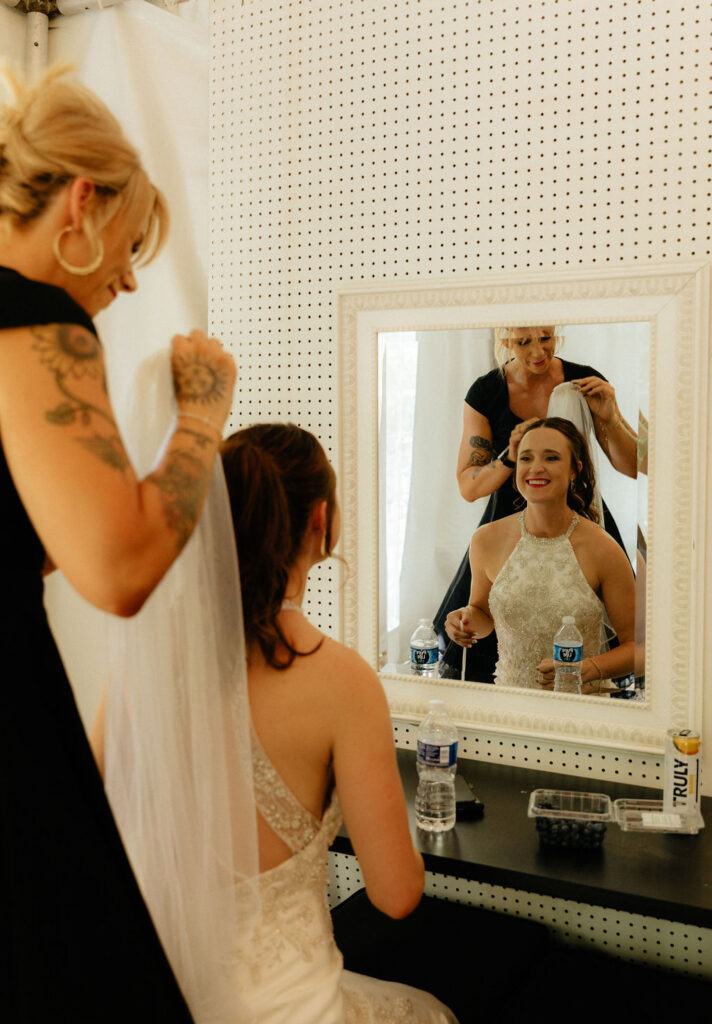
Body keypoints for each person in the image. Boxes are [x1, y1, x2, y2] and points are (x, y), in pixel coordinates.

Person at [0, 67, 236, 1020]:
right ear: (81, 203)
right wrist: (201, 423)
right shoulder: (37, 325)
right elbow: (120, 569)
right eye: (129, 247)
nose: (127, 279)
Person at [93, 421, 458, 1023]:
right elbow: (396, 896)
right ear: (322, 521)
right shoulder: (340, 680)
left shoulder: (146, 663)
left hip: (151, 988)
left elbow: (91, 822)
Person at [434, 325, 638, 682]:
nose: (537, 352)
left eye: (545, 337)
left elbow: (634, 465)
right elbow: (468, 486)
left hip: (578, 515)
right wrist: (511, 457)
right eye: (523, 342)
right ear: (505, 341)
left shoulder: (585, 382)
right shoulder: (486, 392)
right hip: (508, 528)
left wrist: (612, 416)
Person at [444, 418, 635, 693]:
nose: (536, 468)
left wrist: (589, 669)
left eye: (552, 457)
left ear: (574, 470)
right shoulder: (485, 540)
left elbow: (638, 649)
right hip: (510, 706)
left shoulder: (603, 548)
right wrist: (463, 621)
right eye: (525, 458)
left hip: (581, 708)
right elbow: (482, 614)